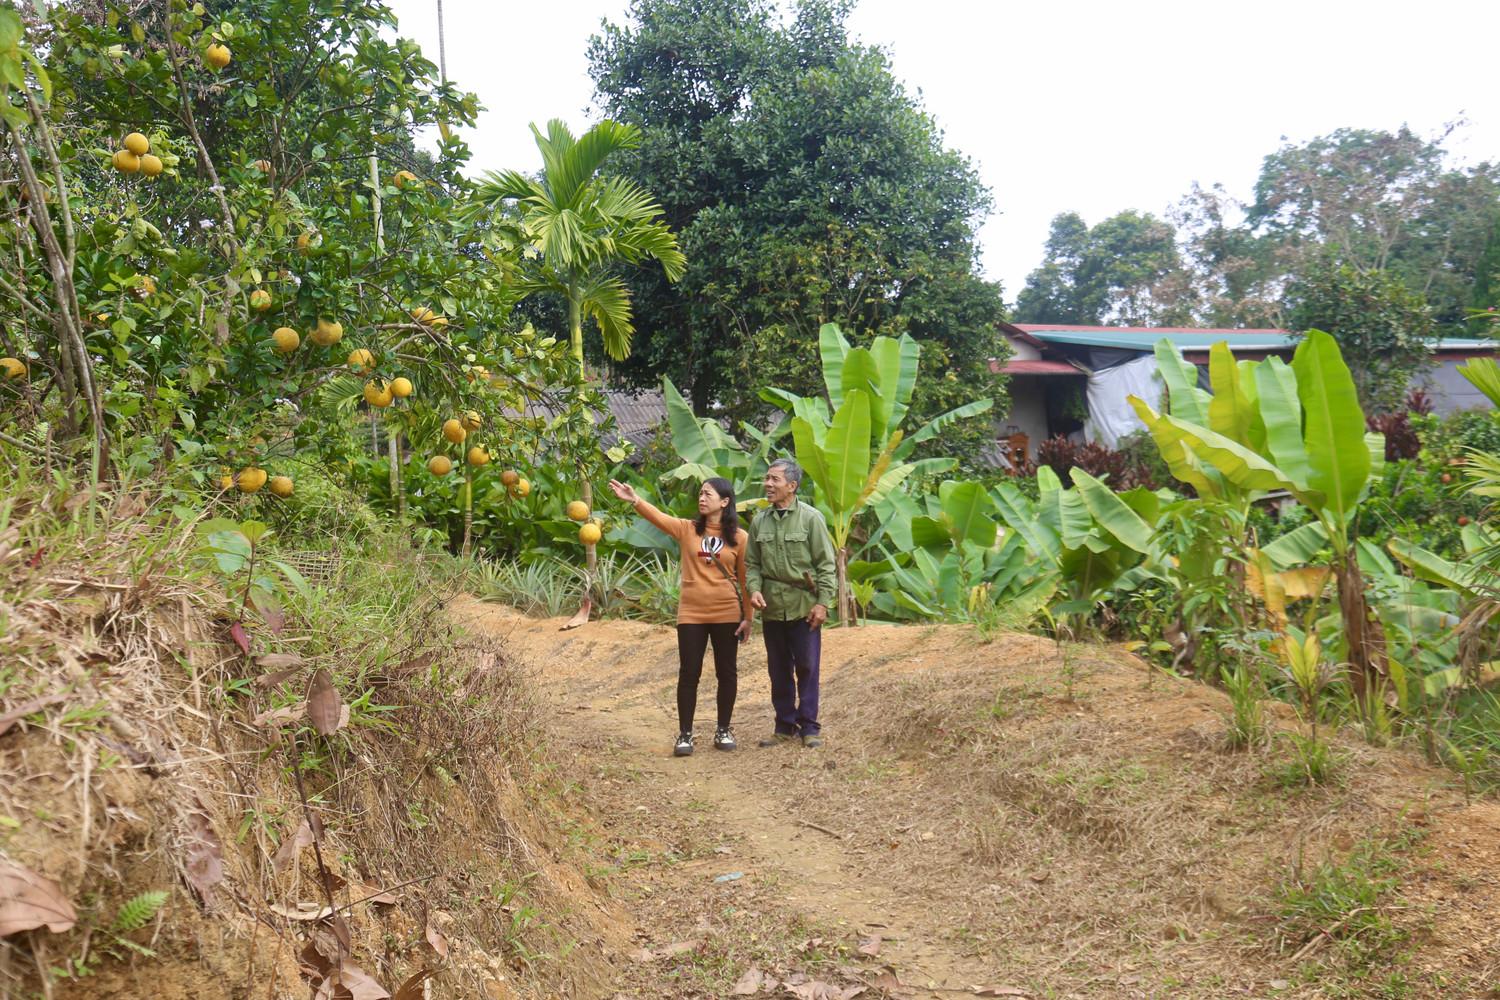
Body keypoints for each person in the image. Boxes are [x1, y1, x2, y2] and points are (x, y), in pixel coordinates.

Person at [607, 476, 751, 757]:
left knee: (727, 672)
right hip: (692, 614)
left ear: (725, 501)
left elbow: (745, 580)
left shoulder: (740, 538)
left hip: (726, 612)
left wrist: (749, 617)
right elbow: (659, 518)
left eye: (708, 494)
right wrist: (634, 499)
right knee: (689, 673)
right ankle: (685, 734)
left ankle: (724, 729)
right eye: (700, 493)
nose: (702, 498)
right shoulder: (687, 529)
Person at [744, 458, 838, 749]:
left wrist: (823, 603)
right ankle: (784, 725)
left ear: (792, 486)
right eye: (767, 479)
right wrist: (754, 589)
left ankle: (809, 727)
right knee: (778, 669)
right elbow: (752, 564)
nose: (768, 484)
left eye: (775, 480)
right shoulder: (760, 520)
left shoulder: (811, 519)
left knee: (808, 666)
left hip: (804, 605)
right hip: (772, 607)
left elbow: (826, 564)